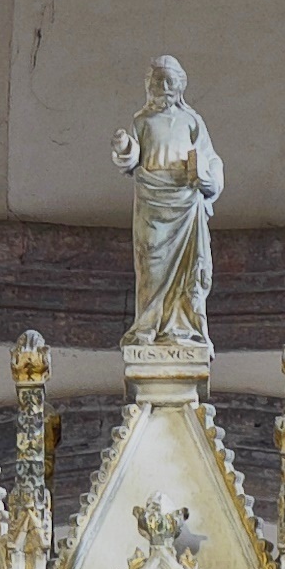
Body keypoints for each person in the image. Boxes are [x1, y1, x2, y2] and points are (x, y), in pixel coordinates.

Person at [114, 57, 224, 352]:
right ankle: (148, 325)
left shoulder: (192, 121)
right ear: (149, 86)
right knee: (151, 265)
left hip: (186, 204)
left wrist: (206, 177)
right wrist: (124, 146)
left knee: (188, 269)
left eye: (169, 81)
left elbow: (211, 159)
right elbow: (131, 159)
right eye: (158, 80)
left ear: (180, 85)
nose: (164, 87)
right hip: (152, 202)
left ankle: (182, 328)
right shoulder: (142, 121)